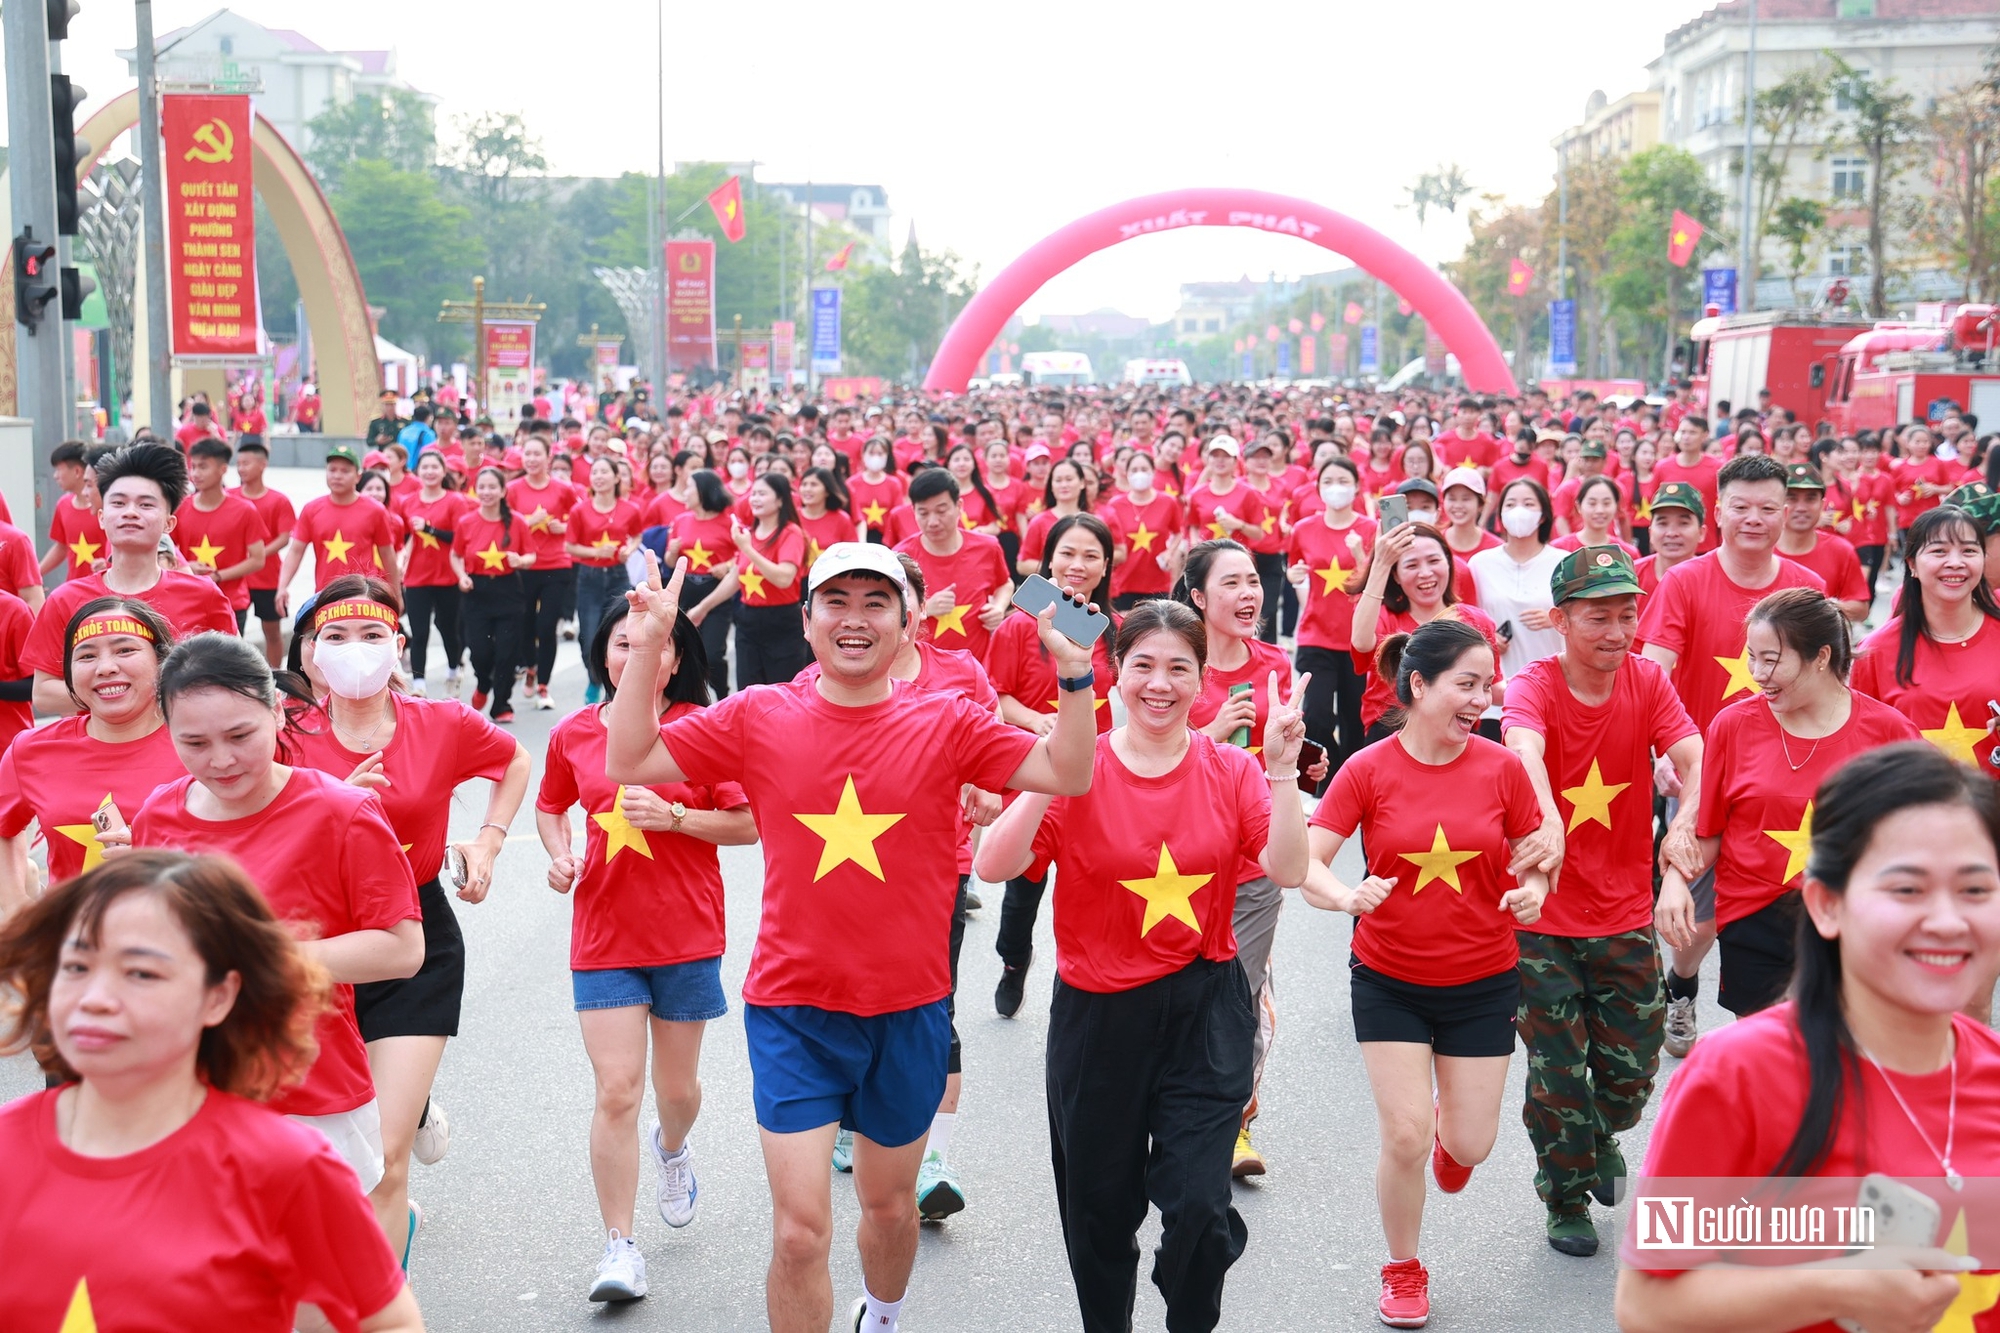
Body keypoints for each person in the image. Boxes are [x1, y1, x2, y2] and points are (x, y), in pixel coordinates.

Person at [602, 542, 1095, 1333]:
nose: (855, 618)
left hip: (908, 1011)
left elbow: (1068, 771)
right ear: (807, 622)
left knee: (891, 1208)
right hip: (794, 1010)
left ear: (906, 626)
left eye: (876, 602)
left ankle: (886, 1314)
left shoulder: (949, 720)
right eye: (837, 601)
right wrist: (653, 639)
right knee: (799, 1231)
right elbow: (627, 753)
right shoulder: (761, 713)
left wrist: (1075, 675)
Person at [974, 600, 1310, 1333]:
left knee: (1199, 1208)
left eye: (1179, 668)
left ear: (1202, 679)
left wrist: (1280, 772)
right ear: (1116, 673)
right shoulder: (1077, 765)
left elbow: (1287, 867)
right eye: (1143, 666)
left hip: (1205, 1008)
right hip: (1098, 1016)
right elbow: (994, 863)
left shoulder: (1230, 768)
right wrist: (1053, 767)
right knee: (1098, 1212)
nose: (1160, 684)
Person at [1615, 742, 2000, 1333]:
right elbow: (1646, 1308)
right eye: (1907, 889)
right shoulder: (1736, 1074)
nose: (1948, 921)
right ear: (1826, 905)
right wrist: (1833, 1287)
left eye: (1976, 889)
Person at [0, 852, 425, 1331]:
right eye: (76, 966)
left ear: (219, 996)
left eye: (141, 974)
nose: (95, 998)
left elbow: (388, 1322)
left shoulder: (286, 1167)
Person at [131, 633, 425, 1255]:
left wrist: (261, 959)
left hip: (312, 1086)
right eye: (194, 743)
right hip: (193, 1088)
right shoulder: (158, 815)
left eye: (240, 736)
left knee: (320, 1290)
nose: (221, 760)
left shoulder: (341, 813)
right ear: (166, 730)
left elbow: (402, 948)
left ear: (276, 712)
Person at [1302, 617, 1550, 1329]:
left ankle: (1452, 1134)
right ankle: (1403, 1268)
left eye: (1488, 686)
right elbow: (1309, 861)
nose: (1481, 699)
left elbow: (1536, 852)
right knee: (1404, 1136)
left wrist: (1534, 887)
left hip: (1483, 978)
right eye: (1466, 684)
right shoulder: (1369, 768)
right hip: (1390, 978)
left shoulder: (1500, 766)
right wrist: (1349, 896)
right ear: (1419, 685)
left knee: (1468, 1145)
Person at [290, 577, 531, 1269]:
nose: (354, 651)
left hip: (412, 932)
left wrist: (486, 839)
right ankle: (412, 1104)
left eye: (371, 636)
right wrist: (330, 804)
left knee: (385, 1160)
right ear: (310, 654)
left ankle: (375, 1300)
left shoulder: (442, 722)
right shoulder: (281, 732)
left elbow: (513, 760)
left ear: (399, 646)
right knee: (333, 1150)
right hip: (311, 941)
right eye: (334, 637)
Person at [538, 600, 754, 1302]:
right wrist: (560, 851)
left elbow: (748, 823)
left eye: (652, 644)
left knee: (677, 1092)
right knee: (617, 1088)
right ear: (604, 654)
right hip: (603, 937)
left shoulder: (701, 728)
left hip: (686, 934)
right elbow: (550, 804)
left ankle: (673, 1145)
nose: (634, 655)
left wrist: (677, 816)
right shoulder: (574, 732)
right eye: (622, 643)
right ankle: (620, 1247)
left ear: (675, 657)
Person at [1501, 548, 1703, 1258]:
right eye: (1599, 618)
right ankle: (1563, 1196)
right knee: (1557, 1069)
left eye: (1628, 614)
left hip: (1623, 912)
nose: (1618, 632)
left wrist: (1684, 827)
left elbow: (1697, 758)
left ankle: (1597, 1133)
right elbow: (1521, 747)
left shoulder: (1647, 681)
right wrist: (1544, 814)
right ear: (1560, 621)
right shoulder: (1535, 685)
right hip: (1542, 918)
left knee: (1632, 1072)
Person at [1639, 453, 1827, 1056]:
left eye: (1768, 508)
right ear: (1717, 511)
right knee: (1701, 913)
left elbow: (1833, 684)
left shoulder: (1807, 588)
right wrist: (1660, 751)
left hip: (1791, 774)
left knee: (1783, 900)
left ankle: (1778, 1030)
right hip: (1701, 772)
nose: (1754, 519)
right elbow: (1655, 672)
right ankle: (1683, 981)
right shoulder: (1685, 581)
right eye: (1740, 507)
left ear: (1786, 513)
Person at [1659, 589, 1920, 1020]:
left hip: (1854, 922)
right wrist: (1674, 881)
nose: (1757, 673)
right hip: (1754, 921)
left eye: (1772, 659)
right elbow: (1709, 829)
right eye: (1751, 657)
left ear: (1820, 656)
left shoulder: (1888, 731)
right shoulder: (1733, 725)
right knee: (1768, 1064)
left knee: (1844, 1064)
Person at [1178, 538, 1319, 1176]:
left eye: (1254, 582)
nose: (1248, 594)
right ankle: (1170, 1111)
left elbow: (1278, 759)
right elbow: (1138, 748)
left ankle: (1234, 1122)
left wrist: (1300, 758)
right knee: (1176, 990)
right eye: (1230, 583)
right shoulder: (1172, 660)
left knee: (1238, 992)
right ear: (1198, 597)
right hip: (1172, 863)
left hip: (1254, 862)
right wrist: (1206, 736)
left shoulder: (1272, 664)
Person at [989, 516, 1120, 1017]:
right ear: (1048, 560)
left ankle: (1092, 975)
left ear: (1106, 565)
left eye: (1091, 555)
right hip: (1033, 775)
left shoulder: (1120, 631)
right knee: (1023, 888)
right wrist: (1042, 723)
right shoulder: (1018, 628)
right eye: (1067, 553)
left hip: (1099, 776)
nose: (1077, 565)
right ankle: (1014, 961)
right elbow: (996, 696)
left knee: (1098, 879)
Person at [23, 443, 237, 715]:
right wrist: (113, 691)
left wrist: (153, 688)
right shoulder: (65, 599)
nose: (130, 512)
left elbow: (234, 675)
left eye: (146, 504)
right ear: (102, 517)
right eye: (118, 503)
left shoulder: (204, 595)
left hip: (179, 750)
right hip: (97, 750)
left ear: (168, 524)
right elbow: (43, 693)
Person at [0, 599, 184, 914]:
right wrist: (15, 909)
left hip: (187, 940)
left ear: (162, 661)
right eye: (86, 656)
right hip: (72, 946)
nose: (106, 667)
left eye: (125, 650)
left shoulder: (202, 742)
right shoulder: (31, 750)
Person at [1853, 505, 2000, 774]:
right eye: (1939, 551)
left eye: (1969, 550)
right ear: (1912, 564)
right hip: (1910, 807)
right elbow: (1862, 746)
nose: (1955, 562)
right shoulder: (1875, 651)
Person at [1351, 523, 1507, 743]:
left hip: (1458, 731)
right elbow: (1361, 642)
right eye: (1411, 565)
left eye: (1434, 561)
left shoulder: (1475, 620)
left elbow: (1495, 686)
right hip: (1392, 734)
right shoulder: (1383, 616)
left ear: (1449, 563)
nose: (1425, 573)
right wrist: (1381, 563)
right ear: (1395, 575)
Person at [1286, 456, 1378, 776]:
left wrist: (1359, 555)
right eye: (1328, 482)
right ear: (1318, 489)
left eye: (1343, 481)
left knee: (1355, 718)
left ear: (1356, 487)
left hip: (1358, 639)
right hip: (1316, 636)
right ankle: (1318, 779)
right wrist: (1294, 575)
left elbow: (1379, 580)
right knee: (1317, 716)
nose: (1335, 488)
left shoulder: (1370, 529)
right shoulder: (1303, 529)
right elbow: (1295, 569)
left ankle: (1350, 781)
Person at [693, 472, 810, 687]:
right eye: (753, 493)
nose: (755, 498)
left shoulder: (790, 533)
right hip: (748, 621)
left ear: (780, 499)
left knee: (781, 692)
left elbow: (784, 578)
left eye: (762, 493)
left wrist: (747, 548)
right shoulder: (750, 533)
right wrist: (703, 608)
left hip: (782, 622)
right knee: (748, 690)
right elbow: (735, 577)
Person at [897, 469, 1015, 663]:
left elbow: (1005, 584)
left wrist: (999, 608)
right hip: (923, 672)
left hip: (977, 667)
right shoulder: (902, 557)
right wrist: (925, 609)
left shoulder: (987, 547)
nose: (933, 522)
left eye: (941, 511)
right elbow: (892, 614)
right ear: (913, 511)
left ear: (959, 506)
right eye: (923, 513)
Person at [450, 467, 534, 723]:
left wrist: (520, 560)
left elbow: (532, 555)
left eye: (492, 487)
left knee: (507, 652)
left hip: (509, 590)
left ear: (502, 491)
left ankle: (501, 703)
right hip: (477, 592)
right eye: (482, 487)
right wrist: (461, 576)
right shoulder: (467, 522)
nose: (486, 492)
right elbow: (455, 554)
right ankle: (483, 684)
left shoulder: (517, 521)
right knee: (480, 652)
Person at [275, 443, 401, 614]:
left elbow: (387, 554)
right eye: (332, 470)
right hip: (326, 596)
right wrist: (282, 587)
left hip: (364, 596)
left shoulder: (375, 510)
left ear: (358, 477)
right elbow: (296, 551)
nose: (337, 476)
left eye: (345, 471)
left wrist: (395, 594)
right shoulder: (312, 509)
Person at [506, 436, 579, 710]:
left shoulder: (563, 489)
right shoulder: (513, 489)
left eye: (538, 454)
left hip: (556, 565)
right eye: (528, 454)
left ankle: (544, 684)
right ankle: (531, 667)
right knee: (524, 623)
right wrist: (527, 521)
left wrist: (566, 525)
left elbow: (580, 516)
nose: (532, 459)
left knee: (546, 625)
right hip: (524, 566)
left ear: (549, 457)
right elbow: (503, 524)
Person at [1469, 479, 1566, 682]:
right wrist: (1486, 637)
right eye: (1511, 504)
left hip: (1551, 683)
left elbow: (1583, 619)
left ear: (1542, 516)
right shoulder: (1480, 564)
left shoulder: (1564, 562)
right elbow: (1467, 621)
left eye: (1529, 504)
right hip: (1494, 691)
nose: (1519, 511)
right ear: (1501, 515)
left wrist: (1558, 620)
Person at [565, 455, 643, 701]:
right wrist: (596, 552)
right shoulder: (580, 510)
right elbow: (570, 546)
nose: (598, 477)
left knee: (619, 636)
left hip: (618, 578)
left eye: (604, 472)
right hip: (589, 579)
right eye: (594, 472)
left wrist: (629, 550)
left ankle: (615, 691)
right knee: (589, 638)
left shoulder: (630, 509)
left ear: (617, 477)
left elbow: (637, 536)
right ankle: (594, 679)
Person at [173, 438, 267, 633]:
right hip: (190, 601)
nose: (196, 474)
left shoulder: (244, 510)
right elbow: (167, 552)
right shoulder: (181, 508)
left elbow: (258, 559)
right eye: (194, 467)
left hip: (231, 602)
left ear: (223, 469)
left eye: (203, 467)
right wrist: (187, 566)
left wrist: (218, 576)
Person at [398, 448, 469, 696]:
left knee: (449, 628)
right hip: (417, 578)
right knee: (419, 632)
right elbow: (403, 538)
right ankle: (419, 684)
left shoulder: (454, 501)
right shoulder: (407, 502)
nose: (429, 472)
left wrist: (430, 530)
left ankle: (453, 669)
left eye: (434, 467)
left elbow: (461, 538)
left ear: (443, 471)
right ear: (418, 471)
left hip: (447, 577)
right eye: (425, 467)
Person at [664, 469, 740, 697]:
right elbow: (669, 561)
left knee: (712, 653)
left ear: (703, 491)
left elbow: (743, 556)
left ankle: (722, 692)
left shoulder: (729, 522)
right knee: (684, 651)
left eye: (689, 487)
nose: (685, 493)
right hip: (686, 590)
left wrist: (726, 565)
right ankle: (693, 699)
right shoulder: (680, 520)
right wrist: (672, 552)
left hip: (716, 591)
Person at [1775, 463, 1873, 622]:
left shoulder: (1841, 550)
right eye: (1791, 498)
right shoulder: (1761, 550)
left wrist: (1821, 607)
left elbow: (1861, 610)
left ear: (1822, 504)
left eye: (1810, 499)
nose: (1801, 507)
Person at [230, 437, 297, 667]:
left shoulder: (278, 500)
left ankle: (276, 676)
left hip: (267, 577)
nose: (241, 468)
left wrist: (256, 555)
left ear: (262, 465)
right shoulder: (230, 496)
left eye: (246, 463)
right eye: (238, 464)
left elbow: (284, 537)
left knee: (272, 629)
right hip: (235, 576)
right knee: (231, 630)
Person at [1103, 447, 1185, 610]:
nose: (1139, 473)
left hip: (1156, 581)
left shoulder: (1168, 502)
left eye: (1144, 469)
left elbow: (1178, 532)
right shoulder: (1115, 505)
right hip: (1124, 580)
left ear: (1153, 472)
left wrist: (1169, 552)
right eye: (1134, 469)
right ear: (1126, 473)